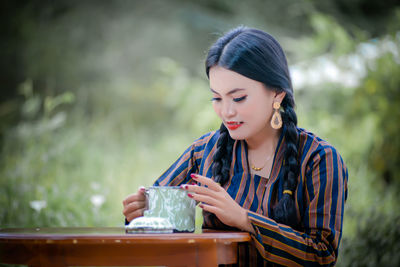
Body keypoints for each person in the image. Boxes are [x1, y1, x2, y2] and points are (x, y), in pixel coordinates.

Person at [122, 26, 348, 266]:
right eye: (217, 98)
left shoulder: (318, 159)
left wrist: (244, 219)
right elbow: (156, 227)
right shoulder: (203, 151)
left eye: (238, 98)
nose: (227, 112)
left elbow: (322, 255)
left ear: (278, 94)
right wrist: (139, 214)